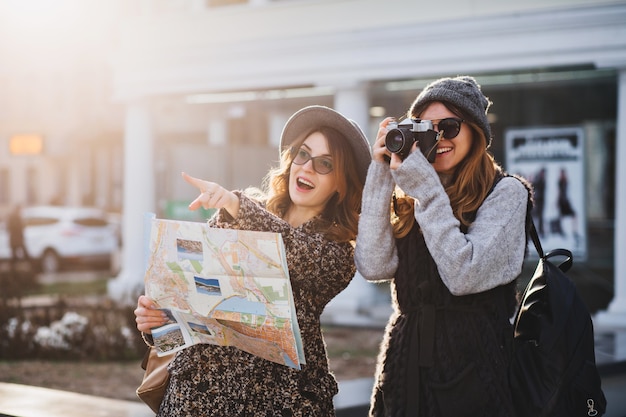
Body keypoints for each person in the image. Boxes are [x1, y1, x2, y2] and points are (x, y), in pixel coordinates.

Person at [134, 105, 371, 416]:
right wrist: (158, 323)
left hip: (278, 403)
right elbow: (196, 305)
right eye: (303, 154)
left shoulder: (337, 251)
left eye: (325, 163)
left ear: (341, 183)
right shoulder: (237, 215)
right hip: (198, 399)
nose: (308, 168)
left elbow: (292, 251)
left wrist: (237, 205)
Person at [355, 76, 531, 417]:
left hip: (475, 368)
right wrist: (380, 174)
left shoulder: (507, 193)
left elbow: (463, 275)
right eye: (426, 128)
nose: (438, 138)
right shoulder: (413, 196)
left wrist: (426, 190)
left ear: (476, 132)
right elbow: (373, 266)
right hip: (404, 369)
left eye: (448, 127)